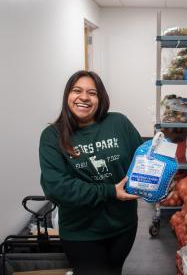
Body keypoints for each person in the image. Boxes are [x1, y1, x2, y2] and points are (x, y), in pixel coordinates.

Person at [39, 70, 142, 275]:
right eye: (77, 90)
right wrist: (110, 191)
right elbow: (57, 187)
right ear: (67, 95)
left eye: (92, 93)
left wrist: (162, 172)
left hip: (123, 226)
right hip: (81, 232)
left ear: (100, 98)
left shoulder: (118, 123)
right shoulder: (53, 136)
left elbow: (141, 160)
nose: (84, 97)